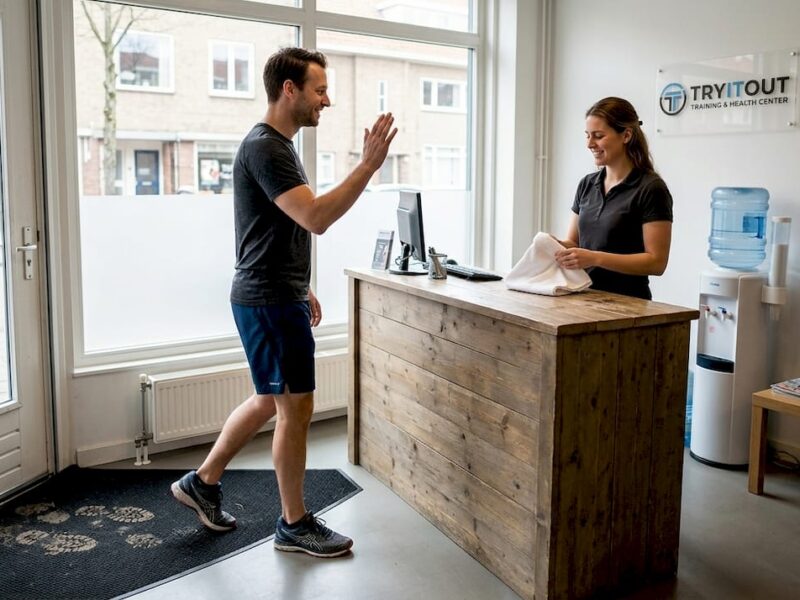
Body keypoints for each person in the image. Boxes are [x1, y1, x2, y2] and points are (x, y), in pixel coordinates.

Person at [171, 47, 397, 557]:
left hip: (274, 292)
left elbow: (279, 225)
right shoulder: (267, 147)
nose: (328, 99)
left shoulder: (275, 145)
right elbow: (315, 217)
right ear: (289, 89)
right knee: (296, 409)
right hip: (269, 300)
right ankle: (294, 524)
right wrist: (367, 167)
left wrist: (302, 282)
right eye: (320, 89)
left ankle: (201, 482)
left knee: (270, 400)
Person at [554, 97, 672, 300]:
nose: (590, 144)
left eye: (598, 136)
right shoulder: (587, 184)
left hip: (629, 307)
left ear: (626, 135)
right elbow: (574, 242)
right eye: (587, 136)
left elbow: (656, 262)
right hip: (583, 298)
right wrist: (551, 245)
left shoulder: (651, 189)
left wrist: (595, 258)